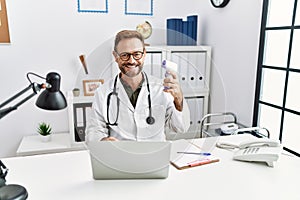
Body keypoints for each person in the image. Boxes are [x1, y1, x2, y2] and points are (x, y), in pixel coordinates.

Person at [86, 30, 190, 142]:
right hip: (121, 155)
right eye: (125, 55)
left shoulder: (162, 88)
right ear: (116, 56)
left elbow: (181, 128)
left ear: (144, 54)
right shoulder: (103, 92)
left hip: (154, 155)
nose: (132, 61)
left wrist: (179, 101)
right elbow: (94, 131)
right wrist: (103, 141)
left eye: (137, 54)